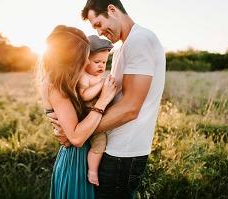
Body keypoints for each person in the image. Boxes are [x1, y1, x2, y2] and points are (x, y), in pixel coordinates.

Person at [50, 0, 166, 198]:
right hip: (111, 148)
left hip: (123, 153)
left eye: (98, 24)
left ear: (112, 10)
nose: (99, 32)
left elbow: (130, 108)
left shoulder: (141, 40)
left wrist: (77, 134)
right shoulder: (122, 48)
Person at [38, 25, 117, 199]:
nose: (85, 62)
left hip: (80, 156)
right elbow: (76, 138)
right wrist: (103, 101)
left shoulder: (66, 82)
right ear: (69, 60)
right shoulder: (57, 87)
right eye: (83, 58)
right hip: (76, 160)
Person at [78, 35, 114, 186]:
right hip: (89, 116)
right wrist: (102, 84)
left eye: (104, 62)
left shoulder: (97, 76)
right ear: (85, 61)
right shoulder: (84, 77)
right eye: (97, 62)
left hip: (99, 115)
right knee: (100, 144)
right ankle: (92, 171)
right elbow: (85, 95)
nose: (101, 66)